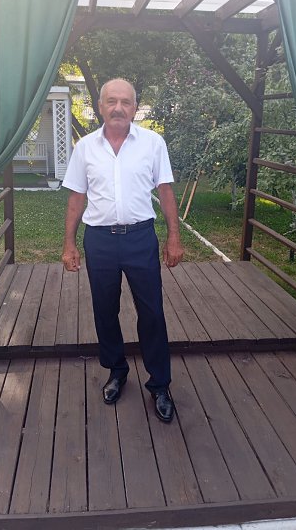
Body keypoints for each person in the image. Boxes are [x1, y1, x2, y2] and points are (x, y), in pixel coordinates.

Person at [61, 78, 184, 423]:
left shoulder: (153, 143)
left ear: (135, 107)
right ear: (100, 106)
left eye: (125, 102)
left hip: (140, 238)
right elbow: (76, 198)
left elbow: (166, 190)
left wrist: (174, 237)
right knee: (105, 310)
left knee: (152, 312)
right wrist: (69, 244)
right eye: (112, 101)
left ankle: (160, 383)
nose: (118, 108)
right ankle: (116, 370)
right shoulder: (85, 148)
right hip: (99, 240)